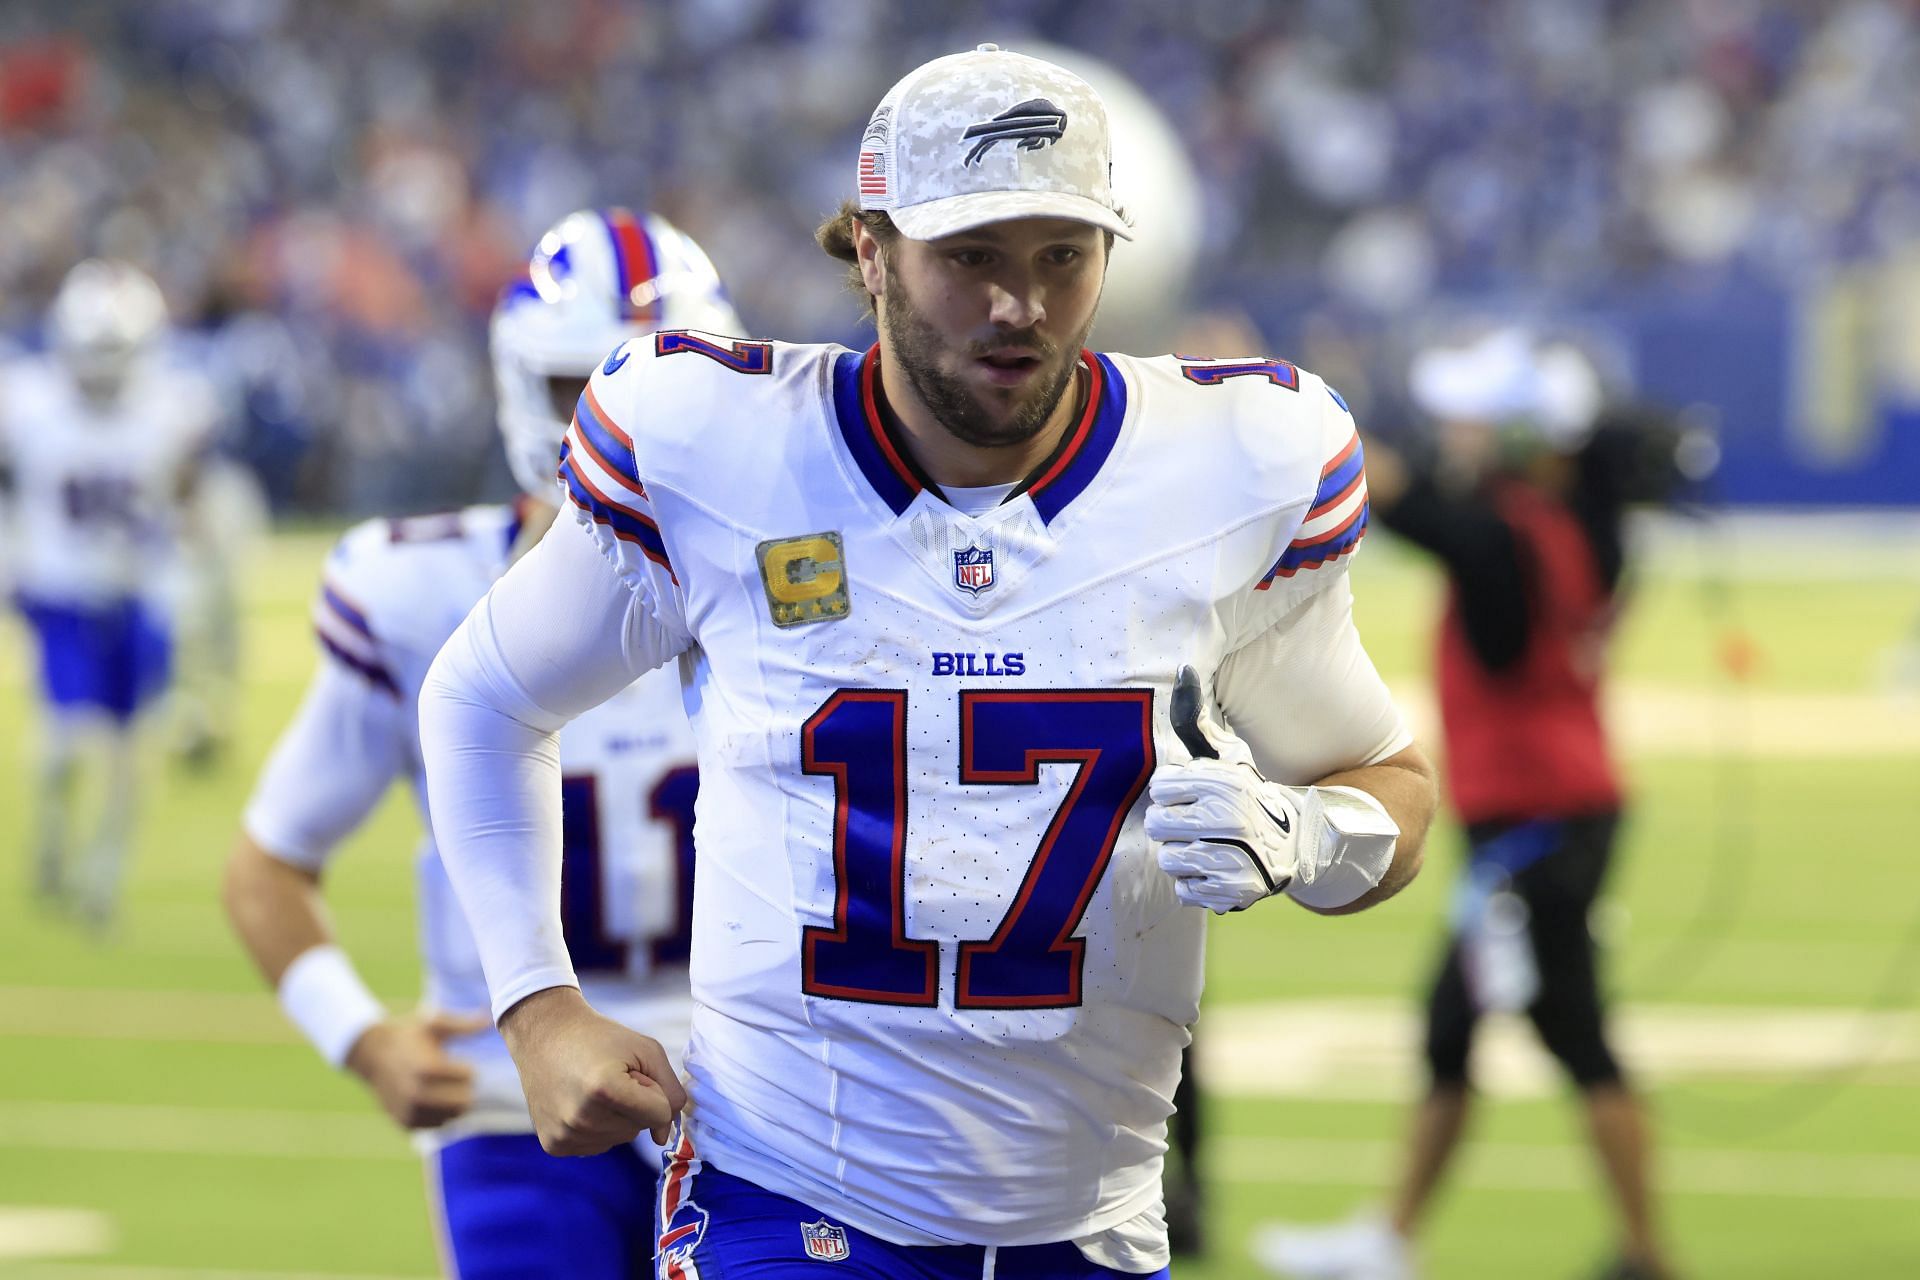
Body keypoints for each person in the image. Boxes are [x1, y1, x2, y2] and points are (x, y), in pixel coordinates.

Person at [419, 44, 1438, 1279]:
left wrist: (1304, 838)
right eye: (972, 258)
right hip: (782, 1194)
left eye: (1061, 257)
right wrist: (535, 1005)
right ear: (870, 246)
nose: (1020, 305)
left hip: (1096, 1225)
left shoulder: (1237, 466)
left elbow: (1384, 776)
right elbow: (482, 696)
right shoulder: (717, 442)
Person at [222, 209, 741, 1278]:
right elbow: (268, 861)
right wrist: (361, 1038)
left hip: (755, 1101)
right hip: (519, 1102)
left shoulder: (785, 582)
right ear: (517, 387)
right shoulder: (417, 594)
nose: (611, 418)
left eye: (651, 382)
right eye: (577, 386)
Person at [1256, 328, 1679, 1280]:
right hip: (1554, 813)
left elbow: (1409, 510)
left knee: (1558, 1029)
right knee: (1469, 1026)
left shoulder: (1505, 535)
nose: (1459, 436)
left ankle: (1644, 1253)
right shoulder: (1576, 527)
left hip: (1537, 818)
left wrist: (1285, 416)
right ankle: (1396, 1236)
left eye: (1477, 422)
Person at [1, 260, 221, 929]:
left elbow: (188, 500)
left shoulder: (173, 406)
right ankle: (53, 844)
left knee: (131, 750)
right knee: (66, 745)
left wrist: (189, 571)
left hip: (140, 591)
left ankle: (102, 876)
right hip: (61, 588)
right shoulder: (27, 401)